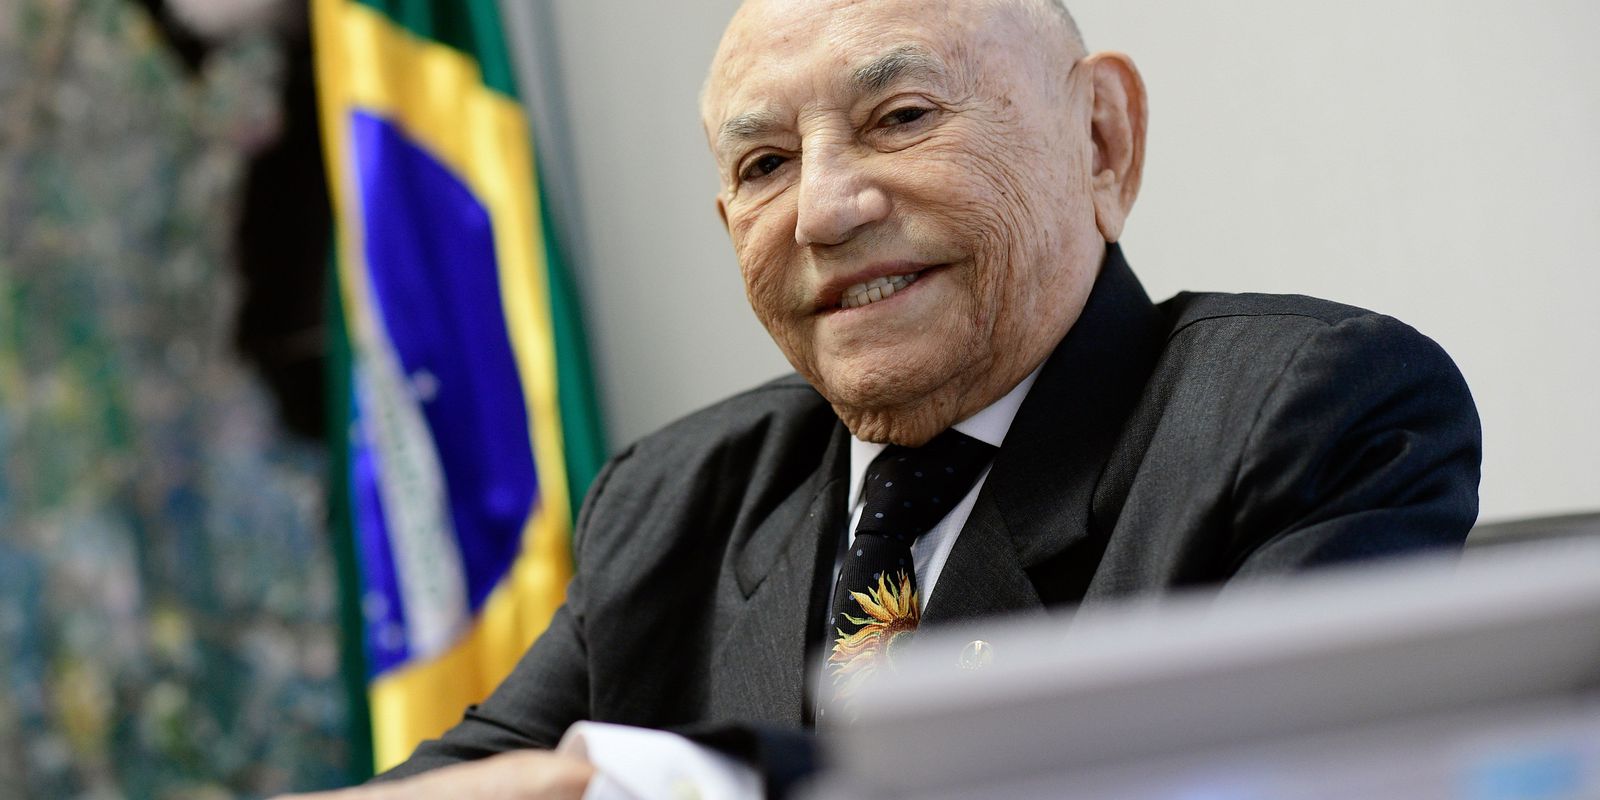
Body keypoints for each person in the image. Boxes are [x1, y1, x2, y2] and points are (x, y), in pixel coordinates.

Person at [287, 0, 1481, 797]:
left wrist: (677, 783)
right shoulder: (671, 497)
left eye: (900, 118)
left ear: (1101, 139)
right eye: (764, 165)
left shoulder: (1308, 414)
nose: (822, 209)